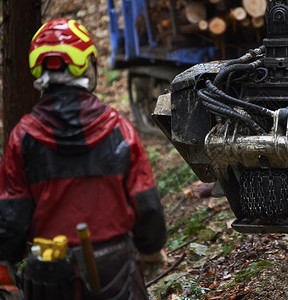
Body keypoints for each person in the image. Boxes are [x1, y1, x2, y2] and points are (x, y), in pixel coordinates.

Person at [0, 18, 167, 299]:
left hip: (51, 274)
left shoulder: (23, 137)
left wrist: (5, 264)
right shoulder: (117, 128)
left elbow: (11, 215)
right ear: (85, 64)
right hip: (114, 268)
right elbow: (145, 201)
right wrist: (151, 249)